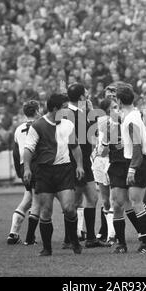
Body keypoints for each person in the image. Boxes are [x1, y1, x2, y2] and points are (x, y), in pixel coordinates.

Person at [22, 93, 85, 256]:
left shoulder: (68, 124)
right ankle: (47, 249)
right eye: (65, 107)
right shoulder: (38, 126)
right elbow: (28, 149)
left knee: (69, 208)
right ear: (55, 108)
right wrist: (27, 168)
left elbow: (75, 147)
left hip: (64, 170)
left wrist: (79, 165)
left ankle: (75, 243)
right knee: (45, 211)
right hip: (44, 172)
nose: (67, 111)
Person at [117, 82, 146, 254]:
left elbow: (136, 146)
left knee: (136, 203)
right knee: (137, 202)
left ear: (119, 101)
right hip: (142, 160)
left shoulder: (131, 118)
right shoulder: (134, 115)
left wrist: (132, 168)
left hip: (139, 162)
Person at [64, 83, 109, 248]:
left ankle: (90, 238)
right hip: (75, 163)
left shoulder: (76, 113)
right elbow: (92, 132)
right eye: (86, 93)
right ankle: (69, 240)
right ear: (82, 97)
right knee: (73, 203)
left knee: (92, 198)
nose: (88, 94)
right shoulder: (70, 115)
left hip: (83, 162)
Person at [7, 100, 41, 246]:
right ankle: (30, 238)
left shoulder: (18, 129)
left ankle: (13, 234)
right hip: (37, 166)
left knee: (28, 199)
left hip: (23, 167)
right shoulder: (41, 125)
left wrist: (20, 173)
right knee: (37, 201)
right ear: (37, 111)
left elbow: (15, 153)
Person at [92, 85, 118, 244]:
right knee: (106, 200)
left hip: (113, 161)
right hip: (102, 162)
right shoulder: (101, 121)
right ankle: (110, 233)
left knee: (118, 199)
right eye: (113, 106)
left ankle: (112, 233)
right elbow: (100, 144)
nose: (116, 107)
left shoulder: (121, 119)